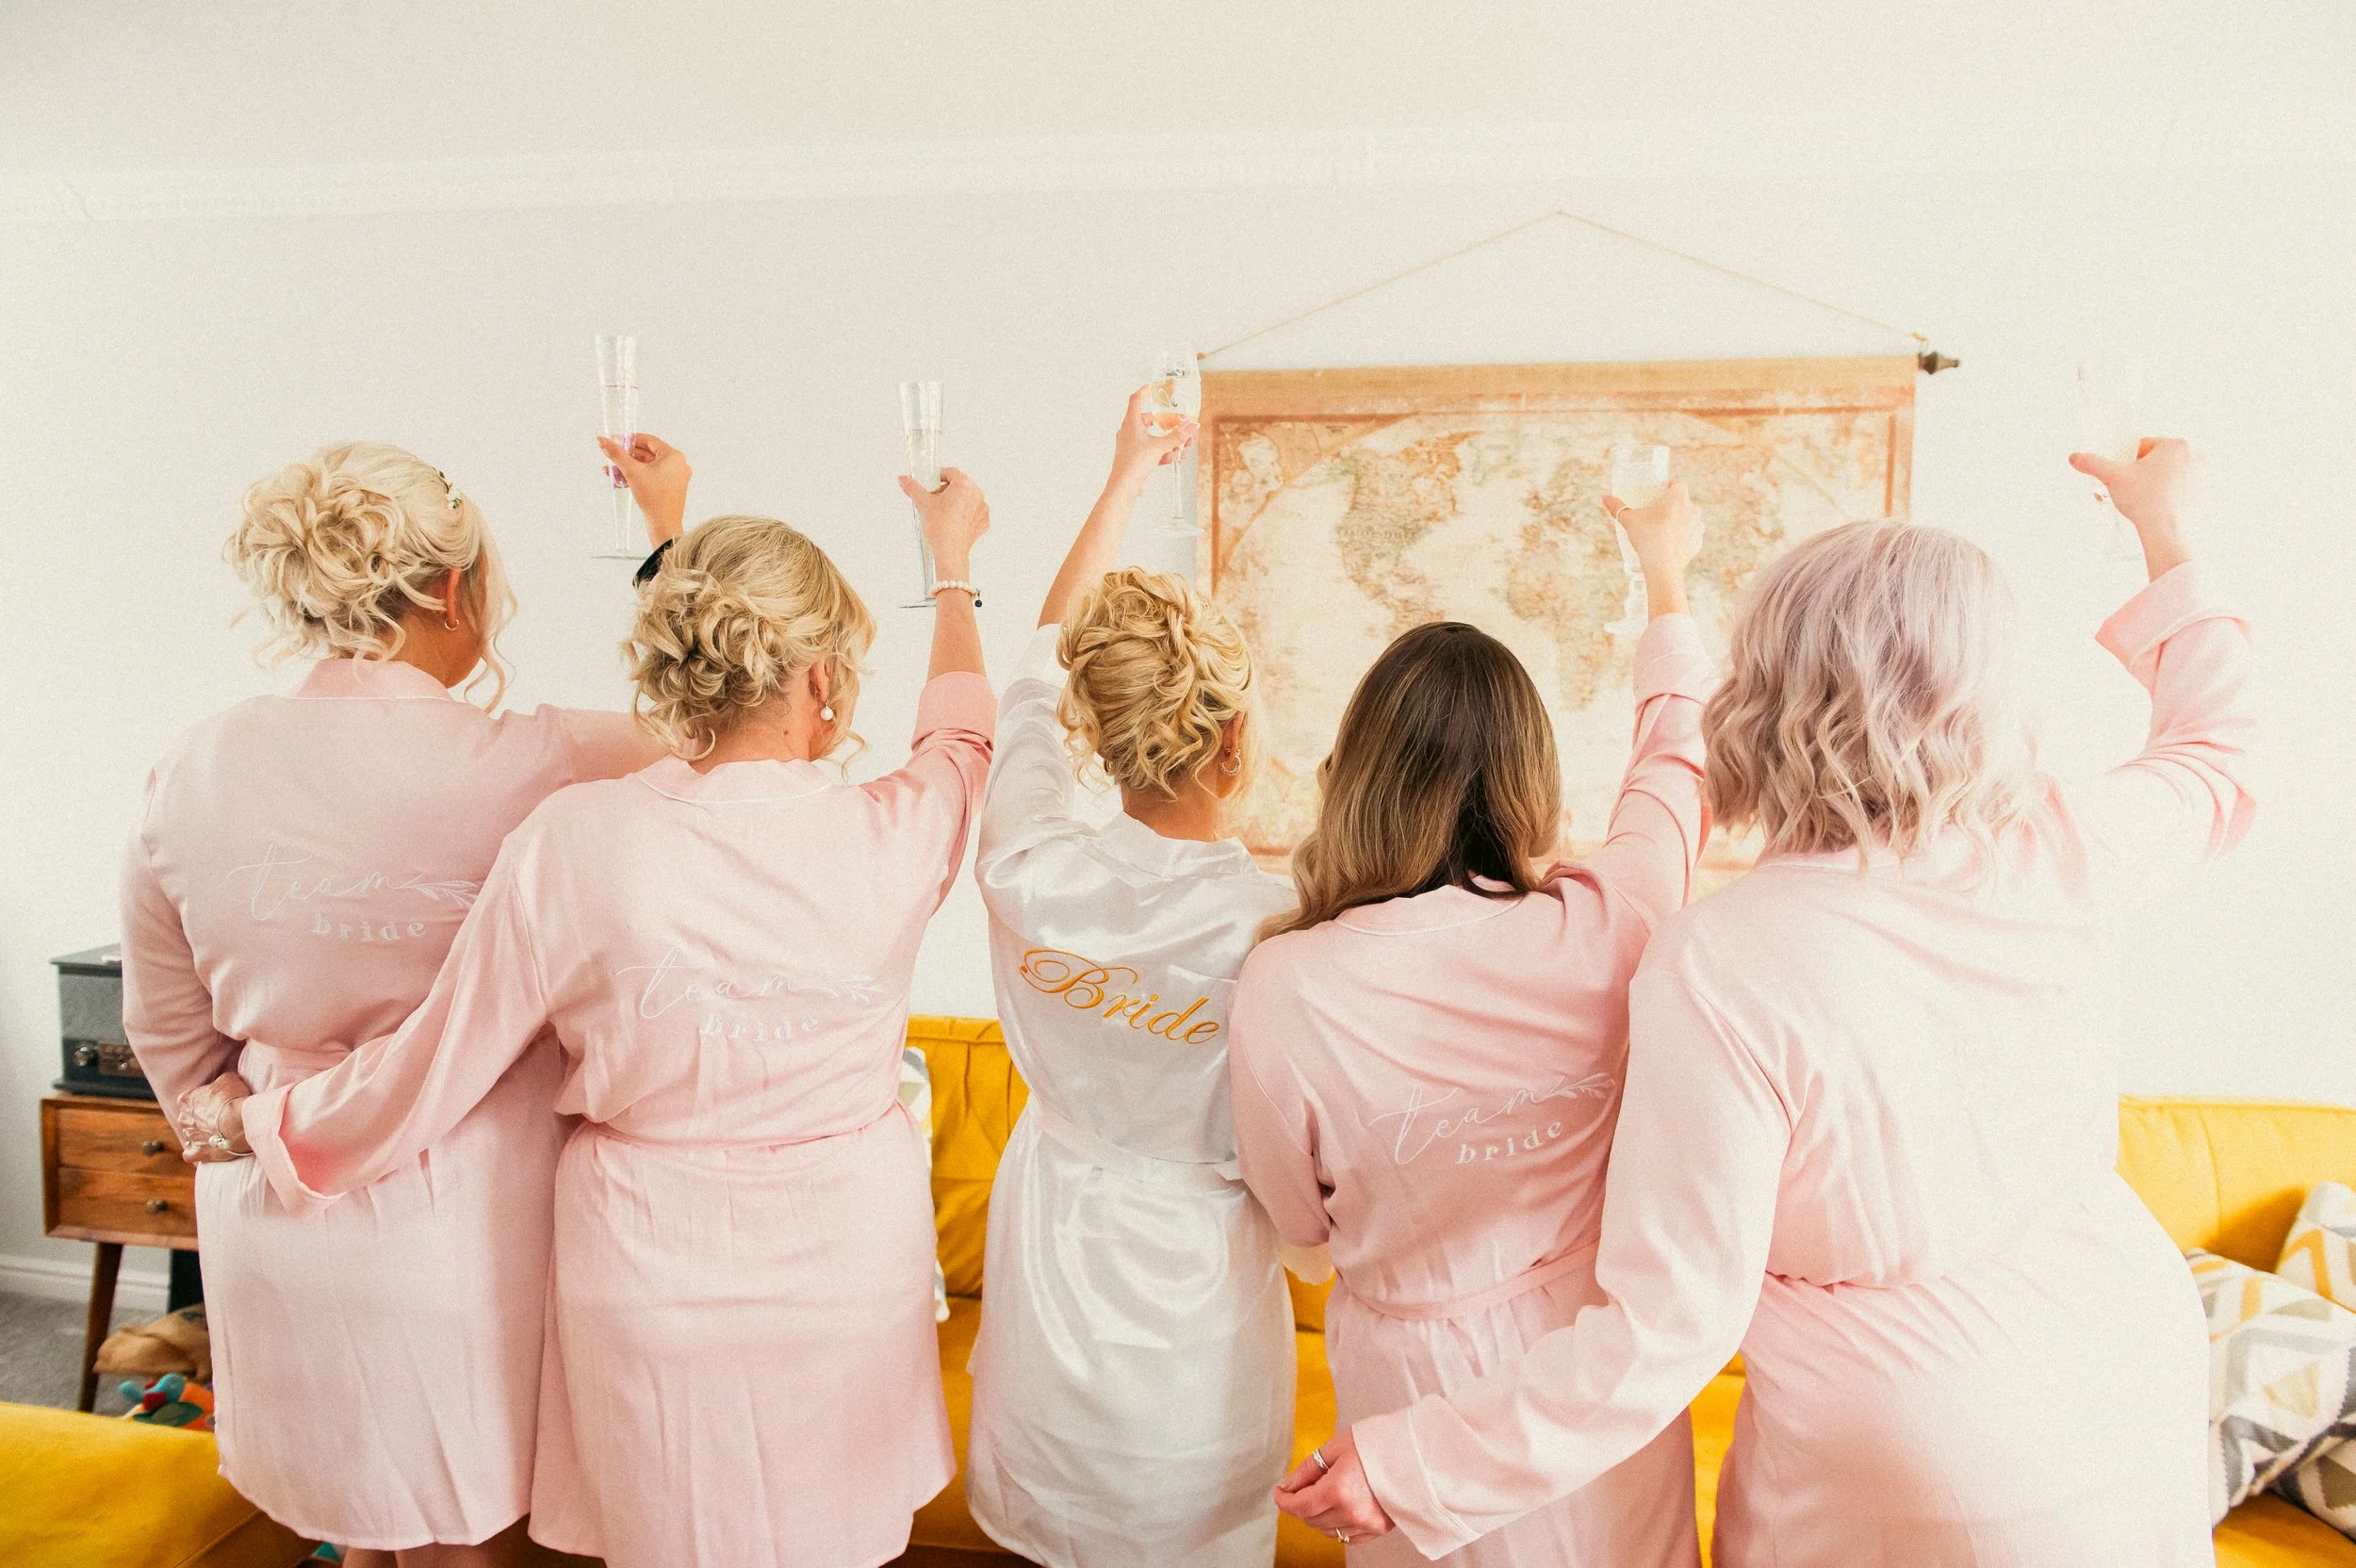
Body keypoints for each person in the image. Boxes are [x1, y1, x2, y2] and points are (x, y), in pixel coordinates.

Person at [1279, 440, 2253, 1567]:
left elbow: (1668, 1321)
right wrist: (2167, 528)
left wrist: (1417, 1463)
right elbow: (2219, 753)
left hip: (1925, 1449)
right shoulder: (2060, 843)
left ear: (1769, 689)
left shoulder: (1727, 960)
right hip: (2127, 1362)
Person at [186, 469, 997, 1568]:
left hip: (649, 1272)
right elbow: (962, 734)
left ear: (683, 661)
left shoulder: (577, 840)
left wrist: (272, 1123)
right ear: (824, 680)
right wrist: (952, 567)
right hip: (847, 1268)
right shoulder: (901, 828)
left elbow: (435, 1060)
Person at [123, 438, 682, 1566]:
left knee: (357, 1534)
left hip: (276, 1222)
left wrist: (236, 1116)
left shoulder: (194, 764)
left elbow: (171, 1037)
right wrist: (667, 545)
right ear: (446, 585)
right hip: (471, 1223)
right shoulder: (546, 757)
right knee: (468, 1542)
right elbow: (710, 735)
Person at [1228, 479, 1712, 1567]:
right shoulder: (1615, 916)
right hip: (1597, 1375)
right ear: (1531, 777)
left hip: (1414, 1390)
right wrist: (1667, 577)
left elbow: (1298, 1227)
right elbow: (1679, 760)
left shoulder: (1288, 982)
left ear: (1356, 776)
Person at [963, 391, 1302, 1567]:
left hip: (1050, 1254)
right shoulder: (1279, 926)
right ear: (1227, 740)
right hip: (1192, 1305)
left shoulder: (1025, 857)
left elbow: (1032, 669)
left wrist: (1121, 477)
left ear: (1095, 737)